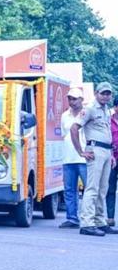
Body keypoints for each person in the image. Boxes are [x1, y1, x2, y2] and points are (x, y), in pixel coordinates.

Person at [70, 82, 118, 237]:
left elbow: (107, 133)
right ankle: (87, 223)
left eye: (108, 93)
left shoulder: (105, 110)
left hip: (106, 150)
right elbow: (74, 128)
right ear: (96, 93)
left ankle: (99, 221)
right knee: (92, 188)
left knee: (103, 188)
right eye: (103, 93)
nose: (105, 96)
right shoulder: (90, 108)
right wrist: (80, 151)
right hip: (95, 150)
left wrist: (111, 154)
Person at [59, 87, 87, 229]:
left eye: (75, 98)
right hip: (68, 158)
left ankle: (88, 218)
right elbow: (65, 134)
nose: (72, 101)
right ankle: (72, 218)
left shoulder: (87, 114)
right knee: (69, 190)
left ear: (82, 99)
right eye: (70, 98)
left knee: (88, 189)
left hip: (84, 159)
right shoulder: (65, 115)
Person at [106, 97, 118, 227]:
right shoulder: (108, 121)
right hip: (112, 158)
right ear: (115, 107)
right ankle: (110, 217)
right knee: (111, 188)